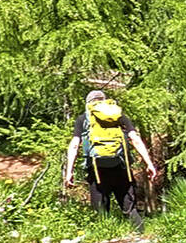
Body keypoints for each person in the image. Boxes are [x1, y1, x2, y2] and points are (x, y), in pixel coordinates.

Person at [64, 90, 159, 232]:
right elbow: (135, 140)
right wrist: (149, 164)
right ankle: (143, 238)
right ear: (104, 101)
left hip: (97, 171)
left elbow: (74, 145)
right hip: (121, 168)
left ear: (88, 103)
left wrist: (69, 171)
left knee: (101, 210)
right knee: (130, 209)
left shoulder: (83, 119)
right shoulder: (119, 116)